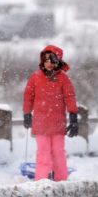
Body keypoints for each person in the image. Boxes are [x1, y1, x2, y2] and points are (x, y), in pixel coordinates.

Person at [23, 45, 78, 181]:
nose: (48, 63)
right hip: (41, 124)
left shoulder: (63, 79)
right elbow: (28, 96)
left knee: (58, 153)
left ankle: (61, 181)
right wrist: (27, 113)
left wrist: (73, 116)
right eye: (46, 60)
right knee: (43, 154)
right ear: (42, 60)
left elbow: (70, 97)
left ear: (57, 62)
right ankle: (41, 183)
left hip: (58, 124)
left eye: (52, 60)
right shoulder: (35, 77)